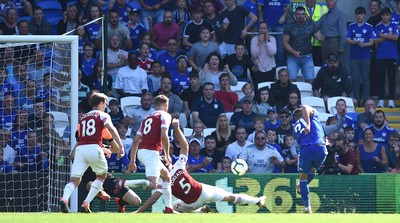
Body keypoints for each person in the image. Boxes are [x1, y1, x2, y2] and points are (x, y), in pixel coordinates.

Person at [133, 121, 266, 213]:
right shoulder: (178, 166)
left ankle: (200, 211)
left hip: (191, 203)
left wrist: (139, 211)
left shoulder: (164, 182)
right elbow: (185, 146)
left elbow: (152, 200)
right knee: (230, 197)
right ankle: (257, 200)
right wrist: (177, 128)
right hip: (203, 191)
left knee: (169, 209)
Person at [59, 92, 125, 213]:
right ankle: (86, 203)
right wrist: (121, 146)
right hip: (94, 149)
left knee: (74, 180)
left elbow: (80, 137)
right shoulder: (103, 115)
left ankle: (64, 198)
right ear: (100, 103)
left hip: (81, 149)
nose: (105, 106)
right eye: (105, 103)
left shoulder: (83, 117)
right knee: (101, 176)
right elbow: (111, 129)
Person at [128, 95, 174, 213]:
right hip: (151, 153)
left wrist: (132, 161)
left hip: (142, 152)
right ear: (166, 105)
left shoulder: (147, 117)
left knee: (166, 177)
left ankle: (169, 207)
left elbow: (136, 140)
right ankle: (123, 183)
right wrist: (167, 155)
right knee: (153, 185)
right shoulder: (165, 115)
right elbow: (164, 135)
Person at [293, 105, 327, 213]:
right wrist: (309, 123)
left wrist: (308, 125)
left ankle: (307, 207)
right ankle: (301, 186)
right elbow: (306, 107)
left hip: (306, 149)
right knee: (312, 170)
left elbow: (304, 108)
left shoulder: (295, 126)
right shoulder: (314, 115)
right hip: (320, 148)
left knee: (303, 177)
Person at [283, 6, 324, 83]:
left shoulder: (310, 25)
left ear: (305, 15)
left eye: (302, 14)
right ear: (295, 14)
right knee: (291, 81)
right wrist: (294, 53)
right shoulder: (289, 26)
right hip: (292, 58)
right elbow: (285, 43)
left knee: (310, 81)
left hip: (307, 57)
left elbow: (321, 39)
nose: (300, 16)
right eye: (298, 14)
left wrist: (312, 21)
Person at [346, 6, 375, 103]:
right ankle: (356, 99)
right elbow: (347, 40)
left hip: (365, 56)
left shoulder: (369, 27)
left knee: (365, 78)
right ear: (355, 15)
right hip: (353, 57)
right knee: (355, 79)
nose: (359, 16)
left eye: (361, 14)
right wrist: (357, 42)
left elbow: (372, 42)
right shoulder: (351, 26)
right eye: (357, 14)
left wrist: (364, 44)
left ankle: (366, 98)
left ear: (364, 15)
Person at [375, 7, 399, 108]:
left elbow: (396, 38)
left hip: (392, 55)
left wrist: (383, 36)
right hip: (381, 55)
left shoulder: (395, 25)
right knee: (381, 78)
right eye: (384, 15)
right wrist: (388, 36)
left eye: (387, 15)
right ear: (381, 16)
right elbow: (376, 41)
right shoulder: (378, 26)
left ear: (390, 16)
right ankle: (380, 100)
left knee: (391, 77)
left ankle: (391, 101)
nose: (386, 17)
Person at [257, 0, 290, 67]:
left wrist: (284, 16)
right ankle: (268, 65)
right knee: (267, 45)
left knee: (280, 47)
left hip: (280, 25)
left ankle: (279, 67)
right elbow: (259, 6)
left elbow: (288, 6)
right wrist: (260, 18)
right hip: (267, 25)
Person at [318, 0, 347, 66]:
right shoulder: (324, 16)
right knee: (325, 64)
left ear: (335, 1)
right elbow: (316, 26)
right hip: (325, 43)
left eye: (331, 0)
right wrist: (309, 20)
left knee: (334, 64)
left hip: (335, 42)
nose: (329, 3)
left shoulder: (340, 13)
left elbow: (343, 31)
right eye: (327, 1)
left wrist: (341, 46)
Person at [250, 21, 277, 91]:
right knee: (259, 89)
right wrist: (260, 42)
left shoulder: (272, 39)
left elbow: (272, 52)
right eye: (261, 28)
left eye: (264, 28)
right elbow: (254, 54)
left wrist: (267, 41)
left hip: (270, 68)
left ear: (267, 29)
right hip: (258, 68)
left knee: (269, 89)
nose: (263, 30)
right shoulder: (254, 40)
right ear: (258, 29)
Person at [305, 0, 328, 66]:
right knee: (308, 66)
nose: (311, 0)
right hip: (306, 45)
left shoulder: (323, 8)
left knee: (319, 65)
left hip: (320, 44)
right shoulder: (301, 10)